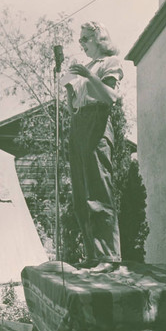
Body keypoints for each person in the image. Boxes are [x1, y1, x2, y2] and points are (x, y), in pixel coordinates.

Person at [64, 21, 123, 273]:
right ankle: (93, 254)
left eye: (86, 39)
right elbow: (72, 105)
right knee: (81, 191)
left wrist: (88, 77)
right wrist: (69, 87)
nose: (82, 44)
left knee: (98, 188)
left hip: (98, 121)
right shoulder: (84, 67)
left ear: (100, 39)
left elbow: (111, 97)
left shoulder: (110, 62)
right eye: (80, 40)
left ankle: (108, 257)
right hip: (79, 122)